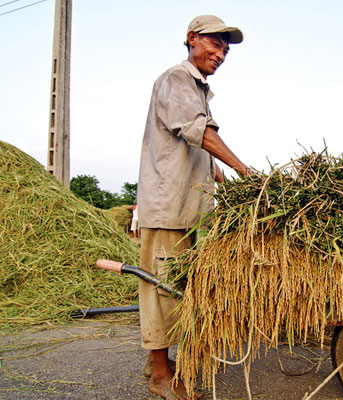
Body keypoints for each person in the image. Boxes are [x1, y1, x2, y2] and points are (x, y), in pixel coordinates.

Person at [136, 15, 250, 400]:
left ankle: (163, 362)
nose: (220, 55)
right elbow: (200, 131)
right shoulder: (177, 79)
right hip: (168, 206)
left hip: (188, 209)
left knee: (177, 289)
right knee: (162, 288)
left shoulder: (196, 89)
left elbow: (194, 145)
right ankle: (160, 376)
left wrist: (218, 172)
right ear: (191, 39)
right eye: (215, 45)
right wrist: (243, 169)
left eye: (225, 50)